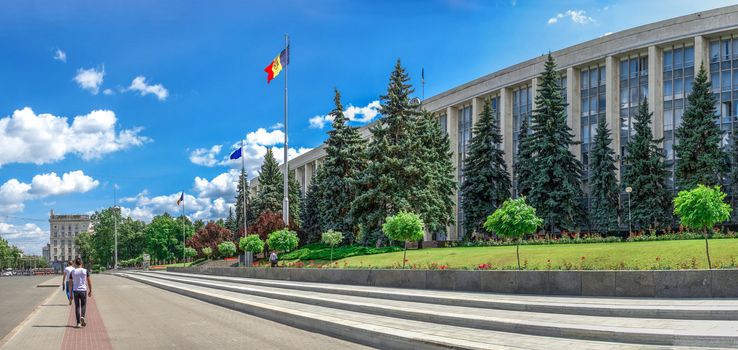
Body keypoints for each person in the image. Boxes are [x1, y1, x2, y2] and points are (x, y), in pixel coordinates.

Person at [68, 258, 92, 328]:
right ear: (81, 263)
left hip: (75, 290)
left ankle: (78, 323)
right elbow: (89, 281)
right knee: (83, 305)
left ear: (75, 263)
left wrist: (70, 294)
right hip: (83, 290)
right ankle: (82, 317)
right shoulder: (85, 271)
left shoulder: (72, 272)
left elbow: (70, 284)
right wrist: (90, 290)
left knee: (77, 306)